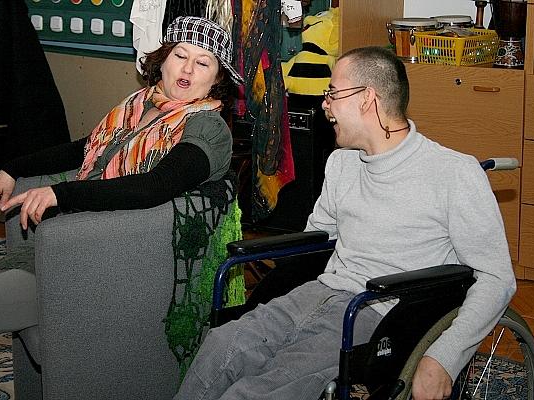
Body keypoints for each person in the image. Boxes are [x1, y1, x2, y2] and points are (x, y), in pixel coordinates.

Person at [175, 46, 516, 400]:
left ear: (367, 98)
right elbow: (316, 239)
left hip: (380, 314)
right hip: (319, 294)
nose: (325, 105)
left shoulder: (454, 174)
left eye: (333, 93)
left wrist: (444, 356)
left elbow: (497, 278)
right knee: (223, 347)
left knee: (263, 388)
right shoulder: (342, 163)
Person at [0, 16, 243, 366]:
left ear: (217, 79)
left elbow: (155, 187)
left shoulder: (207, 127)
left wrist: (62, 194)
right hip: (76, 237)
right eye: (180, 55)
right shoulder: (140, 104)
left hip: (117, 256)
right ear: (163, 60)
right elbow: (85, 149)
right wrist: (14, 168)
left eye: (203, 63)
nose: (188, 68)